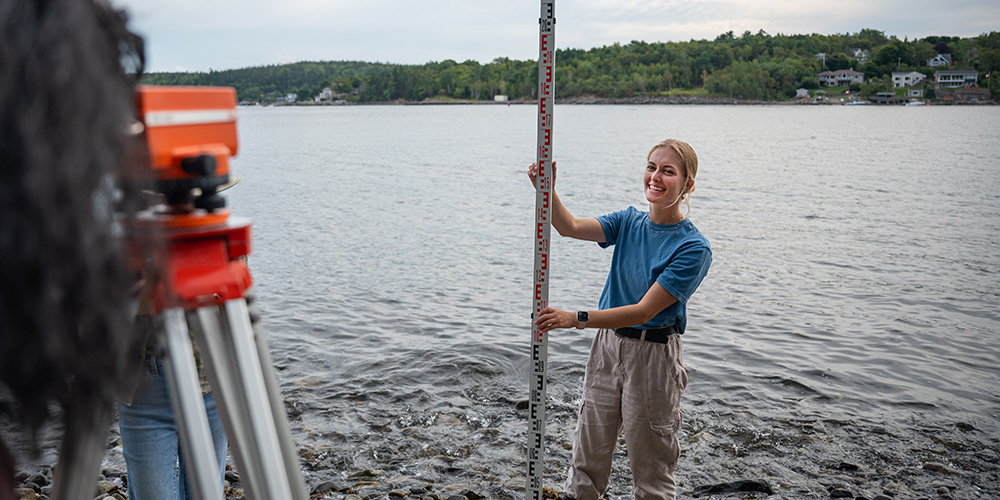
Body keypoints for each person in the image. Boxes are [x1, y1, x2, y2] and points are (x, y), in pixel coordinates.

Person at [528, 139, 712, 500]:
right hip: (607, 347)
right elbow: (569, 227)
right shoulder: (629, 221)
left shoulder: (693, 248)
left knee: (651, 471)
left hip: (653, 356)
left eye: (668, 171)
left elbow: (645, 311)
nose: (655, 177)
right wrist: (547, 190)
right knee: (587, 458)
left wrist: (575, 318)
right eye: (651, 166)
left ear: (688, 184)